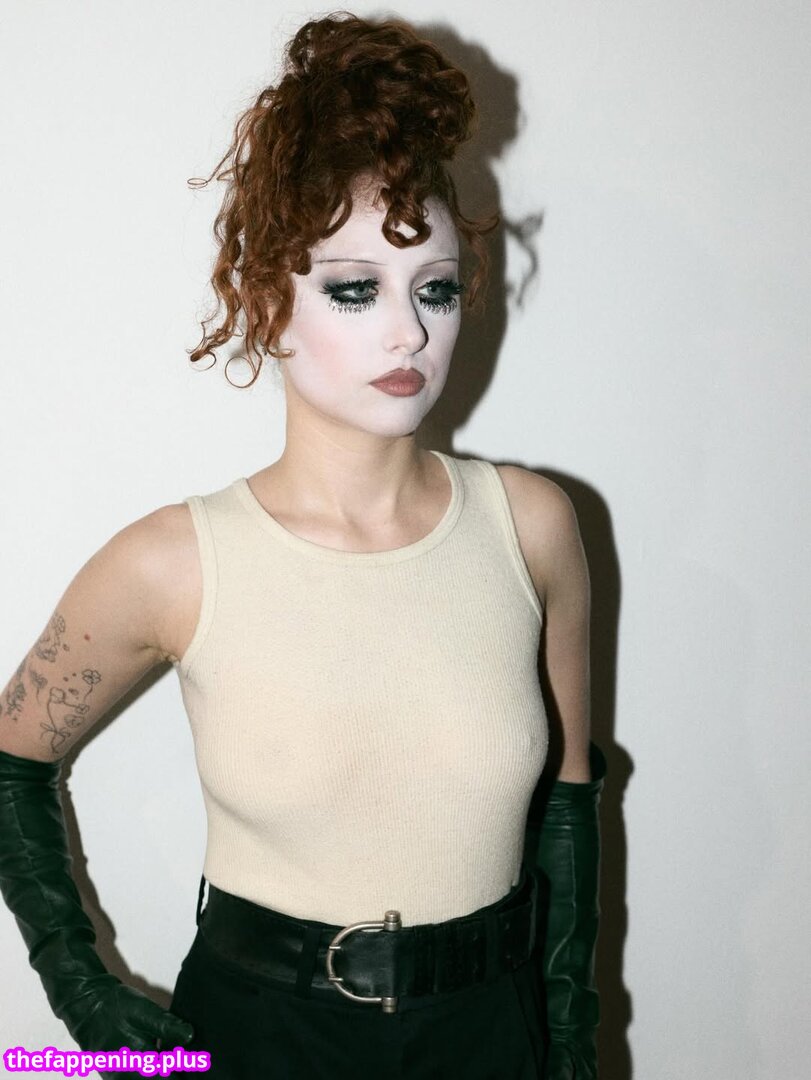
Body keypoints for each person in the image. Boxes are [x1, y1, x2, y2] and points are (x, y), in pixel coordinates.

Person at [0, 12, 605, 1079]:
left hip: (488, 1033)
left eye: (435, 288)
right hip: (257, 1039)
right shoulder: (174, 564)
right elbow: (11, 763)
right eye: (354, 289)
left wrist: (566, 1042)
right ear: (266, 299)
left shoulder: (532, 527)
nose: (408, 331)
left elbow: (568, 802)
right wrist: (82, 989)